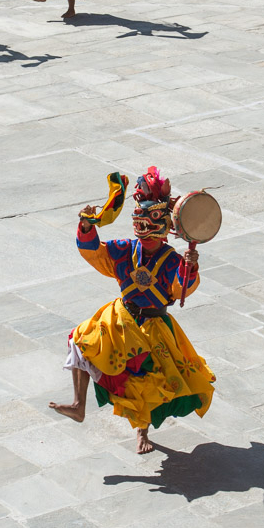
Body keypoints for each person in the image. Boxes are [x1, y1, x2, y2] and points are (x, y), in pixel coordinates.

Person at [50, 167, 214, 454]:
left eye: (151, 224)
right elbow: (97, 253)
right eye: (140, 222)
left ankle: (142, 432)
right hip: (120, 316)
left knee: (147, 381)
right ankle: (79, 405)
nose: (144, 231)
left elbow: (180, 290)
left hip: (154, 325)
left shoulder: (173, 259)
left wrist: (191, 266)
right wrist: (88, 227)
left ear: (164, 227)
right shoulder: (126, 249)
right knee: (80, 341)